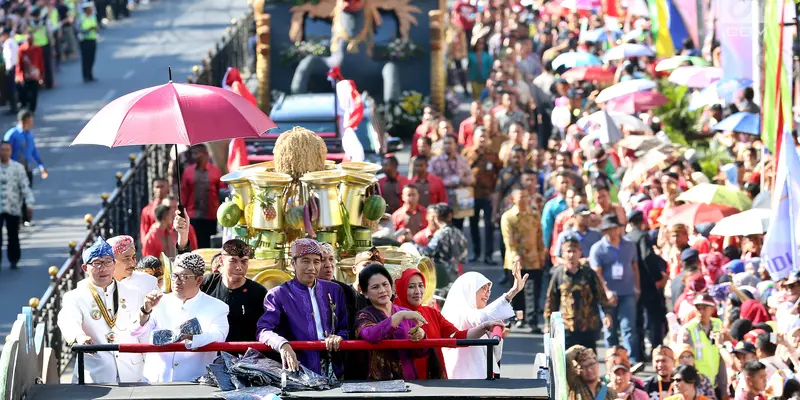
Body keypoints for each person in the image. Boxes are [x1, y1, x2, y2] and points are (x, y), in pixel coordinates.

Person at [256, 239, 350, 378]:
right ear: (293, 263)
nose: (312, 267)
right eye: (305, 261)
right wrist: (282, 344)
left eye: (316, 261)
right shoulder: (278, 294)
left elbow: (345, 327)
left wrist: (339, 337)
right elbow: (263, 330)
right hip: (297, 370)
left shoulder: (334, 290)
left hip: (333, 370)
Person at [56, 237, 146, 383]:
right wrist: (79, 336)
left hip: (132, 373)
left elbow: (143, 330)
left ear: (114, 264)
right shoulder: (75, 296)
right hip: (95, 376)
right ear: (85, 268)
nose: (103, 268)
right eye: (97, 263)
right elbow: (68, 319)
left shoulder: (133, 292)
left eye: (107, 262)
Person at [132, 253, 229, 382]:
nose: (177, 281)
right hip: (155, 381)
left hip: (194, 383)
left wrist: (190, 336)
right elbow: (135, 332)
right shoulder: (158, 301)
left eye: (184, 277)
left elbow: (219, 336)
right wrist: (145, 311)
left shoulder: (217, 307)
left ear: (199, 280)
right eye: (175, 275)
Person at [394, 268, 504, 379]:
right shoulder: (393, 316)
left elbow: (457, 336)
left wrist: (484, 327)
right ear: (401, 288)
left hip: (435, 379)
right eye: (411, 287)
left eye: (421, 285)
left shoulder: (432, 313)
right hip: (408, 381)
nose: (418, 291)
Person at [355, 263, 444, 380]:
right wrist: (400, 316)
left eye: (385, 284)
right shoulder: (364, 315)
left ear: (391, 286)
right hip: (380, 383)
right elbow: (371, 335)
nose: (382, 290)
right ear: (365, 292)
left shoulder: (405, 312)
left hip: (410, 380)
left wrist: (421, 336)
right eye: (375, 287)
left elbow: (420, 353)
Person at [440, 262, 527, 379]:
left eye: (488, 289)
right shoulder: (459, 312)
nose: (487, 293)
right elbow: (481, 317)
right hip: (462, 380)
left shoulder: (471, 312)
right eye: (483, 288)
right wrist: (513, 292)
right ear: (469, 289)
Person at [544, 236, 613, 352]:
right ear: (563, 253)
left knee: (589, 362)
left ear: (580, 253)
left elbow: (600, 295)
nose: (571, 255)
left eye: (574, 251)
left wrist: (607, 314)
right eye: (568, 251)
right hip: (566, 327)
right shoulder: (558, 274)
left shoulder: (588, 273)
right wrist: (548, 323)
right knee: (568, 364)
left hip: (588, 326)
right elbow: (551, 300)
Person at [589, 214, 641, 363]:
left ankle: (631, 360)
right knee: (610, 329)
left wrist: (637, 287)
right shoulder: (598, 249)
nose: (613, 232)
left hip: (627, 292)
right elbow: (597, 274)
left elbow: (635, 267)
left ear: (620, 229)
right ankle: (612, 360)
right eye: (609, 229)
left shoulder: (630, 245)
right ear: (605, 231)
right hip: (607, 295)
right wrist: (606, 291)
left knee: (628, 327)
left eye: (615, 229)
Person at [200, 239, 266, 342]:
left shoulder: (258, 293)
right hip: (210, 352)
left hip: (245, 354)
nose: (239, 267)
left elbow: (264, 330)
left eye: (244, 261)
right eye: (233, 261)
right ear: (221, 261)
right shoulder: (207, 284)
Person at [500, 189, 545, 330]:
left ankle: (532, 320)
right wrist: (515, 254)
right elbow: (508, 240)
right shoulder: (508, 217)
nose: (524, 200)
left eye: (526, 196)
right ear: (513, 199)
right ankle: (519, 318)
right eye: (521, 197)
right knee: (517, 292)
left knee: (533, 291)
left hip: (533, 258)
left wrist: (542, 253)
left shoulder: (534, 215)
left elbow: (539, 236)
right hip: (515, 260)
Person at [679, 293, 729, 399]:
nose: (701, 312)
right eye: (698, 308)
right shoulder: (689, 329)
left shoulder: (717, 324)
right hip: (698, 384)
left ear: (712, 309)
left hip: (714, 383)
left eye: (704, 308)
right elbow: (685, 361)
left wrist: (723, 388)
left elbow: (721, 359)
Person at [4, 110, 46, 225]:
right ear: (24, 121)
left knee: (26, 193)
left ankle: (25, 219)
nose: (32, 122)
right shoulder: (12, 134)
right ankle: (15, 219)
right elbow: (4, 151)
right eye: (30, 120)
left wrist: (42, 166)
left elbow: (34, 152)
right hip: (14, 170)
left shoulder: (30, 135)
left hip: (27, 169)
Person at [428, 134, 474, 230]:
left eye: (450, 143)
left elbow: (471, 178)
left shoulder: (462, 160)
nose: (447, 146)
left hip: (460, 199)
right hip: (443, 199)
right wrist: (447, 182)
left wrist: (462, 180)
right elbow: (430, 179)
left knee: (458, 228)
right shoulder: (435, 161)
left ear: (455, 145)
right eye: (445, 143)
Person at [417, 203, 468, 288]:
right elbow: (464, 257)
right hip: (455, 272)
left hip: (442, 274)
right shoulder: (458, 232)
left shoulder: (441, 234)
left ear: (436, 217)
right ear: (450, 216)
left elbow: (428, 252)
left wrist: (412, 243)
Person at [180, 144, 222, 248]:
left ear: (205, 154)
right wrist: (182, 213)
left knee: (208, 245)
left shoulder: (215, 171)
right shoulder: (188, 171)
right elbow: (184, 193)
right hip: (193, 216)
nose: (194, 156)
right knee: (193, 244)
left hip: (210, 216)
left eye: (196, 153)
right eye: (193, 153)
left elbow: (220, 191)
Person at [0, 141, 33, 269]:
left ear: (11, 151)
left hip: (13, 207)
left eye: (7, 150)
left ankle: (14, 259)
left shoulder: (17, 168)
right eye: (2, 150)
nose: (4, 152)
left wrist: (29, 203)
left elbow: (25, 186)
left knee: (13, 234)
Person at [77, 1, 98, 82]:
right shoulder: (81, 18)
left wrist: (95, 28)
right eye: (89, 9)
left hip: (93, 39)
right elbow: (78, 29)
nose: (91, 10)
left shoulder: (93, 17)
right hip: (84, 40)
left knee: (92, 58)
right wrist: (87, 30)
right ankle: (85, 75)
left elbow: (96, 26)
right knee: (85, 58)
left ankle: (90, 74)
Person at [1, 28, 18, 113]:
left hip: (10, 68)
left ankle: (14, 108)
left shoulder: (9, 43)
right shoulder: (11, 42)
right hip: (13, 67)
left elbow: (9, 57)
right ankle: (13, 106)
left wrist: (8, 69)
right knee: (12, 88)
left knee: (11, 88)